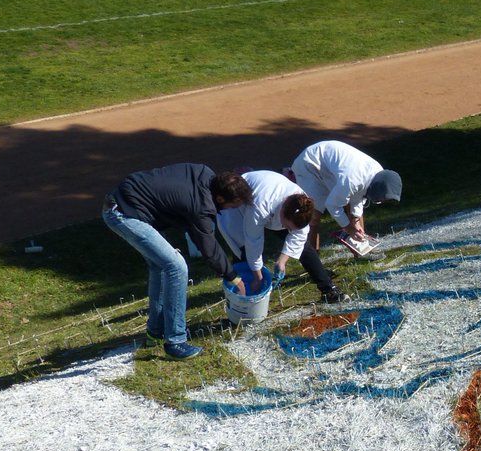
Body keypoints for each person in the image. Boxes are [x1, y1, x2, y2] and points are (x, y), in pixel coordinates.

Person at [102, 164, 251, 360]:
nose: (234, 208)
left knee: (160, 266)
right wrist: (233, 277)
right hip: (125, 214)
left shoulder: (203, 173)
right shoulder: (201, 205)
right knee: (176, 267)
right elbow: (209, 247)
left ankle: (155, 333)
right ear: (221, 198)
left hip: (123, 203)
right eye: (234, 204)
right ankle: (175, 341)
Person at [217, 169, 349, 303]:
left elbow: (299, 237)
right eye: (287, 227)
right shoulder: (259, 207)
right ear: (283, 212)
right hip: (238, 209)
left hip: (271, 205)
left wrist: (282, 260)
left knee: (304, 247)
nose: (287, 230)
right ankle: (244, 295)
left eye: (290, 228)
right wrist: (258, 277)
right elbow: (253, 241)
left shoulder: (302, 204)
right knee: (244, 252)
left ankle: (328, 290)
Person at [283, 140, 402, 253]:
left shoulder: (378, 174)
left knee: (352, 212)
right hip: (310, 165)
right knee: (313, 216)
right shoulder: (353, 180)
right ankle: (313, 261)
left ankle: (362, 249)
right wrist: (348, 227)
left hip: (329, 169)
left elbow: (358, 197)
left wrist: (355, 221)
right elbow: (333, 205)